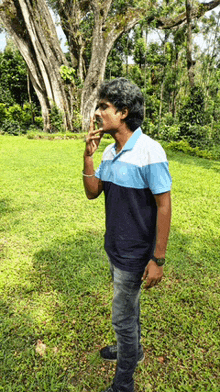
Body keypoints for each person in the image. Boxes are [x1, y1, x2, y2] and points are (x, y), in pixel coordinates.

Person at [83, 78, 172, 392]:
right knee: (128, 310)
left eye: (104, 107)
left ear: (122, 112)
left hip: (135, 256)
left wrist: (157, 259)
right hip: (115, 248)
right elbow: (93, 193)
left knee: (122, 318)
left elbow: (164, 205)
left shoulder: (150, 151)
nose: (98, 113)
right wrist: (88, 156)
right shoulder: (109, 151)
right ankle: (132, 351)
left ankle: (123, 385)